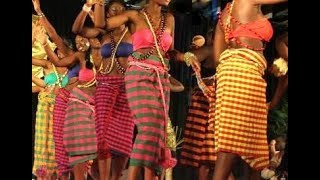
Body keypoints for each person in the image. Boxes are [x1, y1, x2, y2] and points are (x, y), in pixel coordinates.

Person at [92, 0, 199, 179]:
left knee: (157, 133)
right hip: (138, 75)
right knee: (148, 129)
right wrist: (98, 4)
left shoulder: (169, 18)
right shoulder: (135, 15)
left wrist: (185, 56)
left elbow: (169, 52)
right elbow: (101, 25)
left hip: (161, 78)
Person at [211, 0, 287, 179]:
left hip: (231, 75)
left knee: (246, 145)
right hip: (244, 75)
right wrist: (247, 63)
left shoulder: (224, 15)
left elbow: (217, 58)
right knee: (232, 145)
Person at [72, 0, 135, 179]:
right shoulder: (102, 34)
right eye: (115, 9)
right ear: (107, 14)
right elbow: (77, 29)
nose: (119, 12)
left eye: (123, 10)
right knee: (103, 136)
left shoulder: (133, 32)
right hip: (106, 85)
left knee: (123, 139)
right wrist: (87, 7)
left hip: (127, 88)